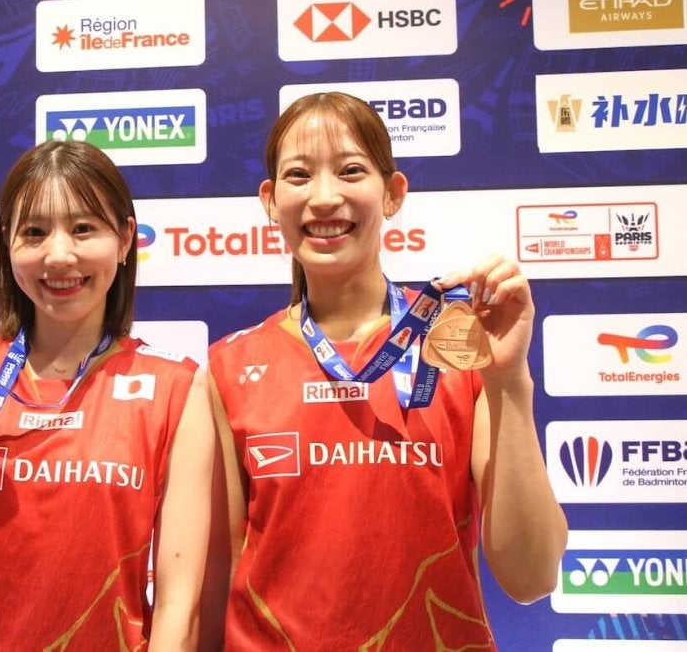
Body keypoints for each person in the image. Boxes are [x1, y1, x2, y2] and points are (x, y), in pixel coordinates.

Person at [201, 92, 568, 651]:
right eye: (299, 175)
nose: (325, 197)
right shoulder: (229, 366)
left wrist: (509, 381)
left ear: (393, 193)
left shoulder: (459, 345)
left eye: (351, 170)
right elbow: (215, 579)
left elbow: (532, 576)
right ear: (271, 202)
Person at [0, 140, 214, 650]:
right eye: (34, 232)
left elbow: (178, 608)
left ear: (124, 240)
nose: (58, 255)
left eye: (83, 228)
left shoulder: (176, 387)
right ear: (7, 247)